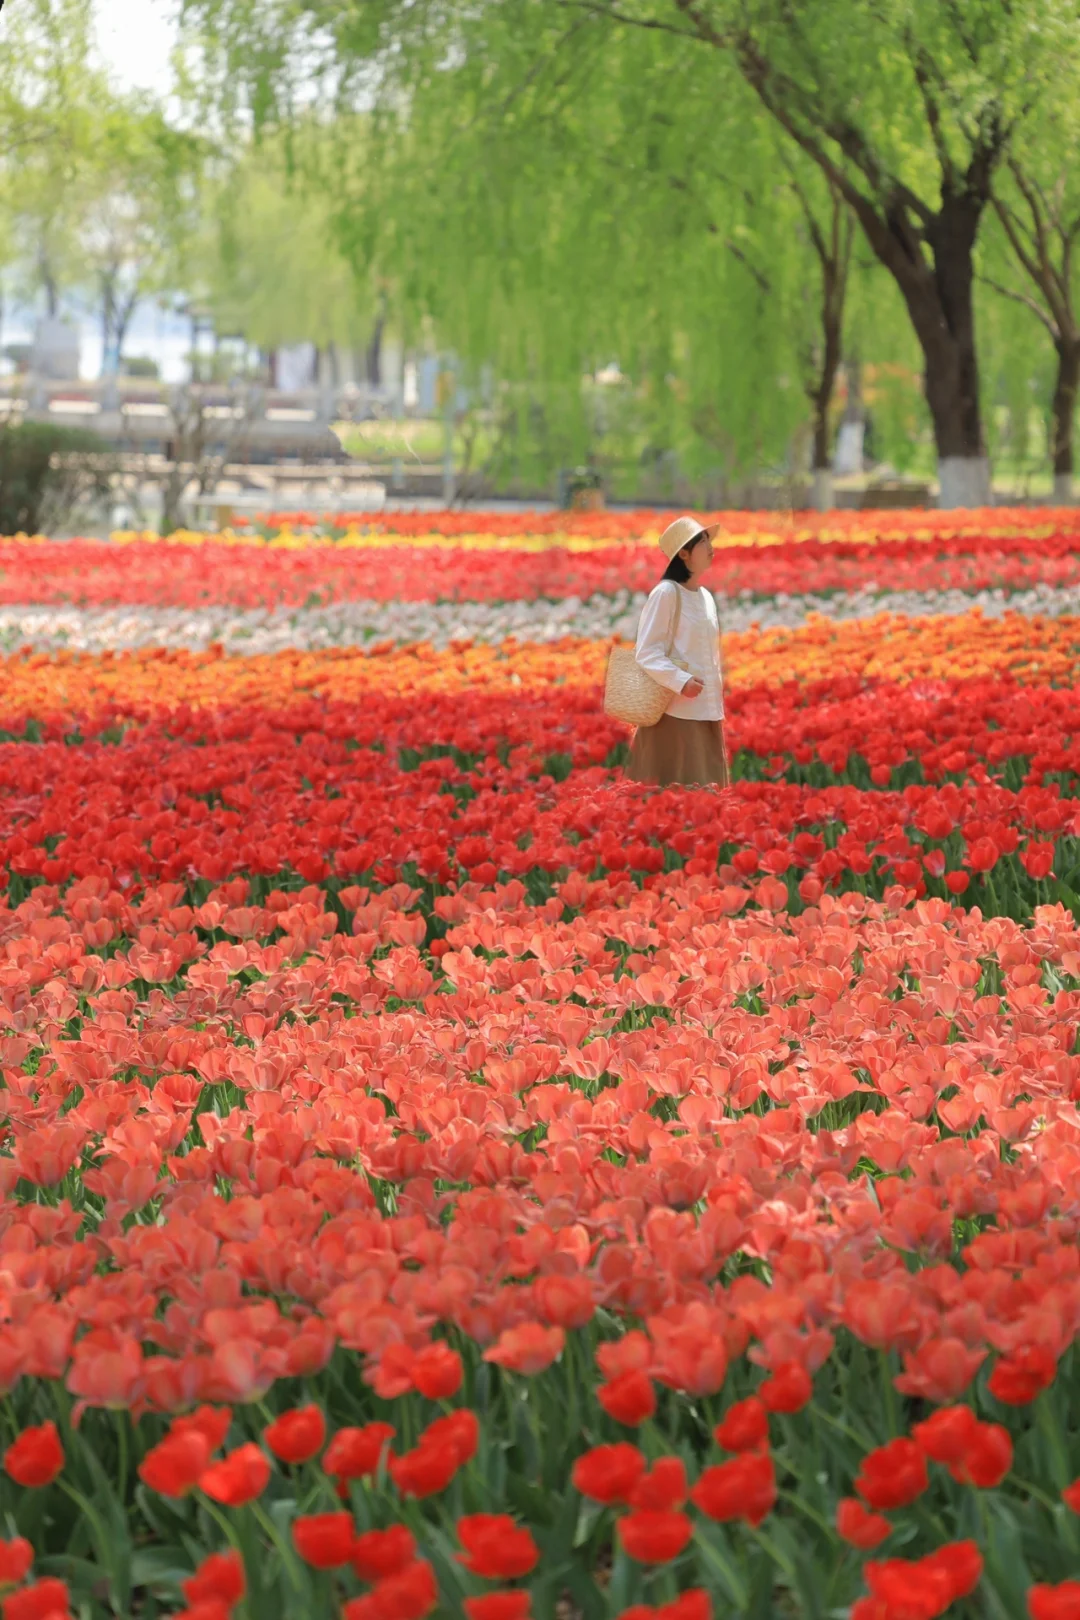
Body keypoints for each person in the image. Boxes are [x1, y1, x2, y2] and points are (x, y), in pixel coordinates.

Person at [625, 515, 730, 788]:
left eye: (709, 540)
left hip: (707, 709)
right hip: (673, 713)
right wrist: (681, 681)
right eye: (703, 541)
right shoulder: (666, 593)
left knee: (709, 794)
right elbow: (646, 651)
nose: (711, 547)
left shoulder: (706, 597)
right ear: (684, 553)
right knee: (676, 793)